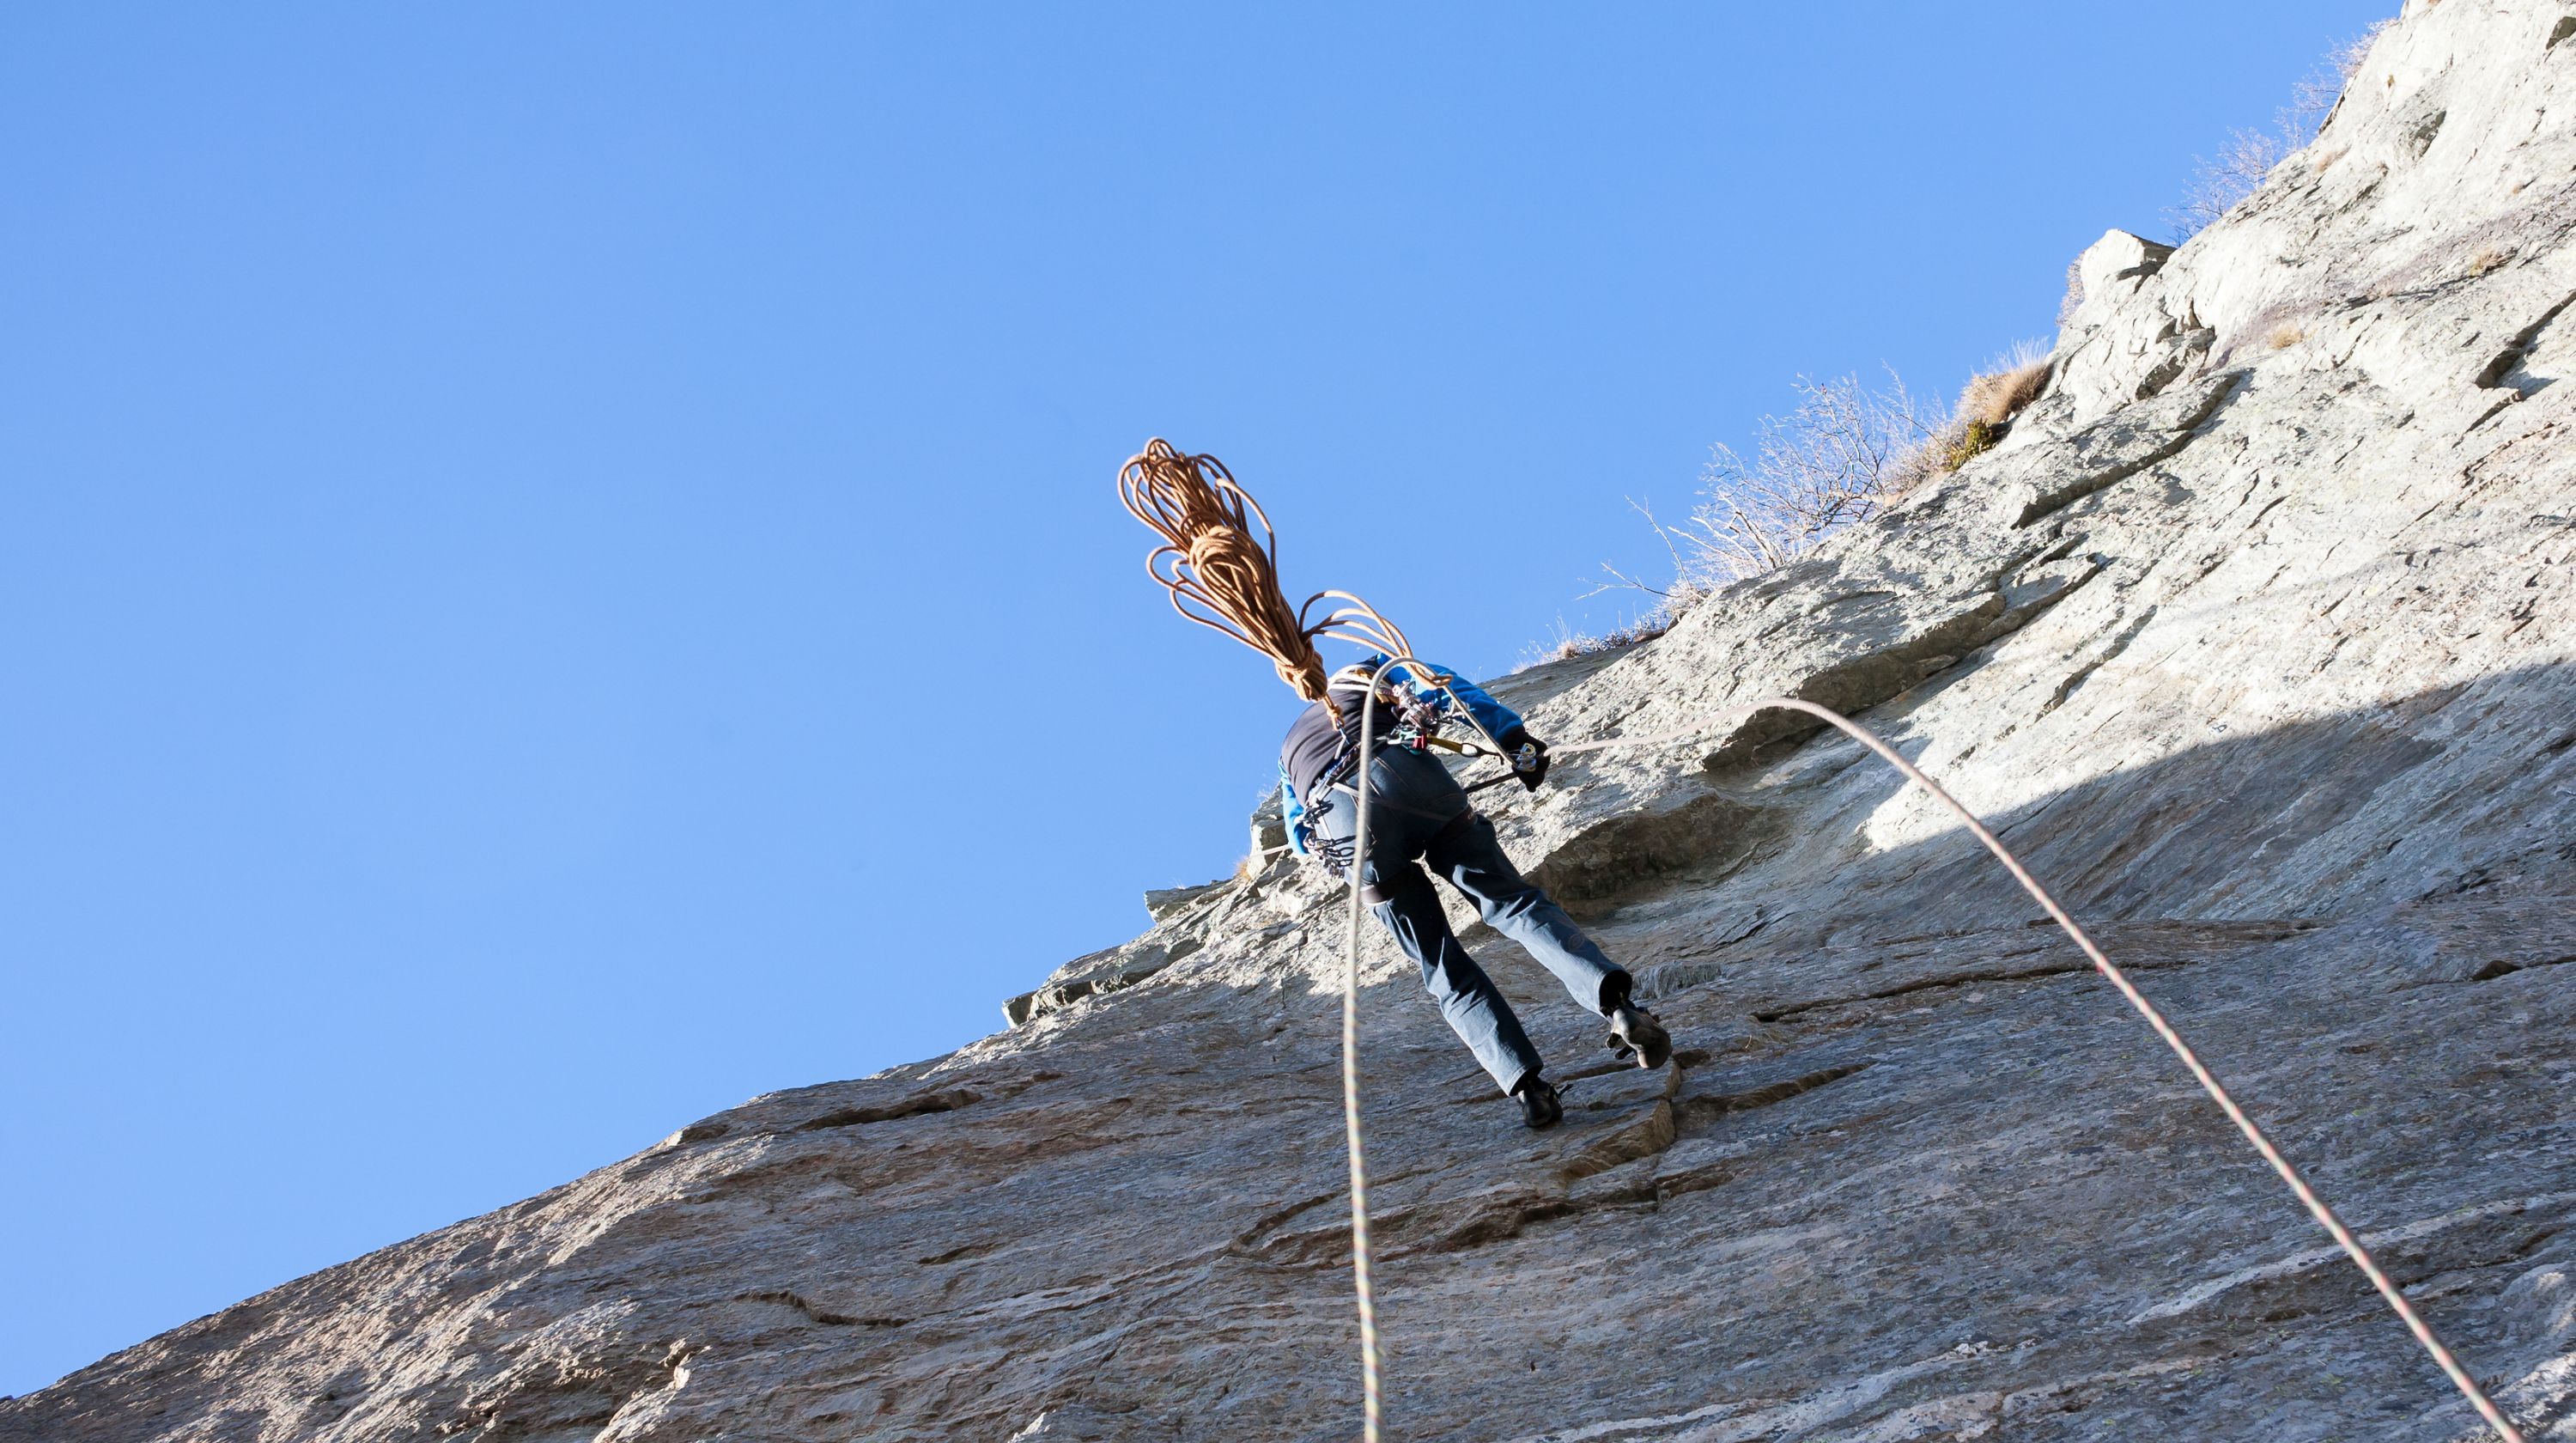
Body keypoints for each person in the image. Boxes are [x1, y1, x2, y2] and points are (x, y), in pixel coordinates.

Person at [1278, 657, 1672, 1129]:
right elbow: (1447, 691)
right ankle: (1620, 1009)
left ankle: (1529, 1091)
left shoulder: (1286, 751)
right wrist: (1512, 740)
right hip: (1404, 772)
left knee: (1443, 968)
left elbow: (1300, 837)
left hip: (1343, 827)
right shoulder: (1369, 670)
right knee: (1511, 902)